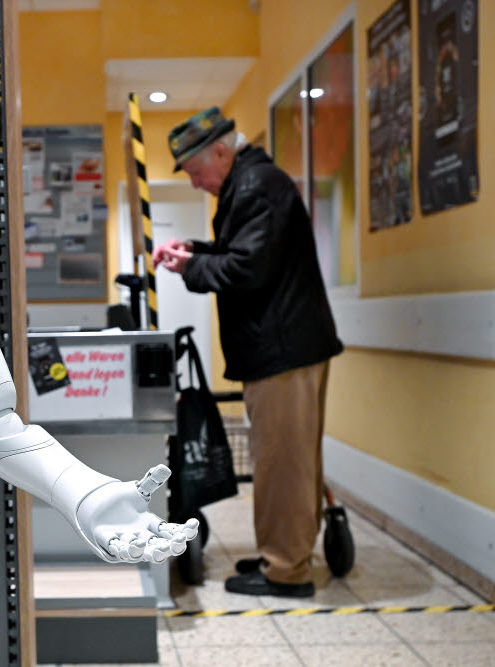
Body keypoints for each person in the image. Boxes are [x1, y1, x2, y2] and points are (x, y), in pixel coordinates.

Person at [154, 107, 343, 598]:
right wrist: (193, 252)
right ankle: (284, 553)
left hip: (282, 351)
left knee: (283, 463)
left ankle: (286, 571)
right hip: (285, 347)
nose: (197, 184)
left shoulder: (257, 185)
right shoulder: (253, 183)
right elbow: (239, 252)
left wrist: (192, 266)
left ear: (221, 151)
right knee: (287, 459)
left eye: (197, 173)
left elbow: (245, 271)